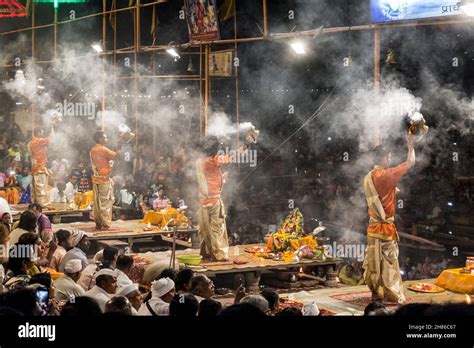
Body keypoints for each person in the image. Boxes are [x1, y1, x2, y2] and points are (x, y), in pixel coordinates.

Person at [362, 133, 415, 304]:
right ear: (385, 158)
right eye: (390, 156)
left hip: (372, 228)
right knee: (389, 264)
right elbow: (411, 162)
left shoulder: (369, 176)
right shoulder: (387, 174)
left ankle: (377, 293)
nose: (391, 159)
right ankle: (392, 294)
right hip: (385, 228)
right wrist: (410, 145)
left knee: (374, 262)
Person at [90, 131, 121, 230]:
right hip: (103, 180)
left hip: (96, 179)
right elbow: (116, 155)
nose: (106, 139)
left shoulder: (93, 149)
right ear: (100, 139)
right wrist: (120, 143)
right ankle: (105, 224)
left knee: (97, 203)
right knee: (105, 203)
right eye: (105, 137)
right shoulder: (102, 149)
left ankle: (98, 222)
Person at [27, 127, 52, 206]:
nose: (42, 134)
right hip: (39, 167)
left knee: (36, 188)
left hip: (35, 168)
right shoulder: (38, 141)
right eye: (42, 132)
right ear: (38, 133)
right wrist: (52, 126)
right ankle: (42, 204)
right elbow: (51, 139)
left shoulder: (31, 142)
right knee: (41, 188)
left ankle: (36, 203)